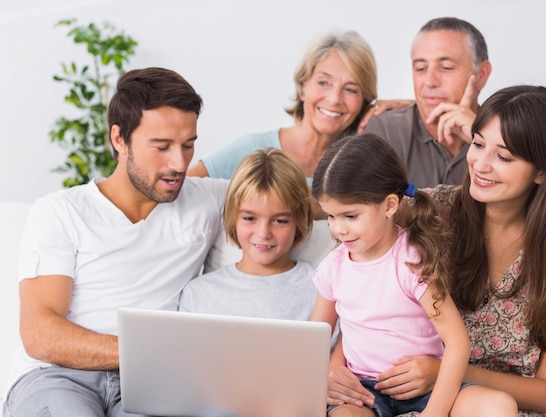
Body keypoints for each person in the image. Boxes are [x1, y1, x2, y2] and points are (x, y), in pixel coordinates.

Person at [325, 86, 546, 417]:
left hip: (489, 405)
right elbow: (360, 284)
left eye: (503, 156)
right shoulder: (428, 212)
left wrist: (443, 371)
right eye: (478, 144)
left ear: (542, 170)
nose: (480, 165)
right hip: (392, 393)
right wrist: (334, 366)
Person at [3, 67, 229, 417]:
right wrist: (148, 351)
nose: (179, 163)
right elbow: (40, 334)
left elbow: (306, 199)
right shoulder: (61, 212)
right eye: (162, 147)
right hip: (58, 377)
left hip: (152, 382)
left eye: (188, 145)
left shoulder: (208, 200)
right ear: (119, 139)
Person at [310, 134, 517, 417]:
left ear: (390, 205)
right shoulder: (334, 267)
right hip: (362, 392)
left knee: (499, 406)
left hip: (427, 389)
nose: (339, 230)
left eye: (350, 216)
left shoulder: (412, 261)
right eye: (330, 217)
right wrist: (327, 375)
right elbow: (313, 341)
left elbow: (457, 341)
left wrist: (435, 412)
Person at [186, 29, 377, 184]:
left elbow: (405, 200)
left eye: (351, 90)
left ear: (364, 100)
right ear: (303, 88)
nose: (335, 98)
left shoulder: (366, 160)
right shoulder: (252, 150)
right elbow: (185, 190)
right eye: (323, 83)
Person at [179, 147, 316, 321]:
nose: (263, 233)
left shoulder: (322, 288)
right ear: (233, 217)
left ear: (299, 221)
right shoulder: (198, 294)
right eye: (250, 218)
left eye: (280, 221)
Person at [363, 17, 492, 189]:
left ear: (481, 74)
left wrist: (481, 139)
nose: (430, 81)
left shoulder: (509, 134)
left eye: (446, 67)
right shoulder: (387, 130)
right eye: (421, 68)